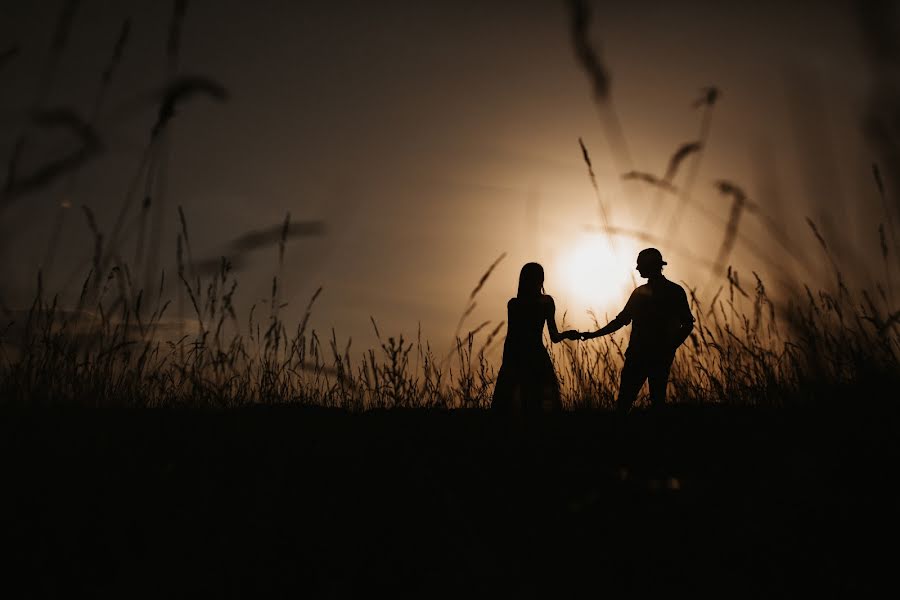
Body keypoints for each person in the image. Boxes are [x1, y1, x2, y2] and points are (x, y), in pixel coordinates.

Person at [578, 248, 694, 414]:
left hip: (638, 355)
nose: (637, 268)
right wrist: (670, 347)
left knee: (624, 404)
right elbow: (688, 324)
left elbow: (620, 321)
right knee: (657, 402)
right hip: (658, 356)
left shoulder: (641, 294)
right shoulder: (675, 291)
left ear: (650, 266)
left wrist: (592, 335)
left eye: (640, 265)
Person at [491, 262, 579, 414]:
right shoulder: (546, 302)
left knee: (513, 404)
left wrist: (507, 363)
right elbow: (555, 337)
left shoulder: (514, 304)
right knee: (538, 403)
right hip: (537, 356)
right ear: (541, 279)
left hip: (515, 356)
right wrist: (567, 334)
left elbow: (511, 337)